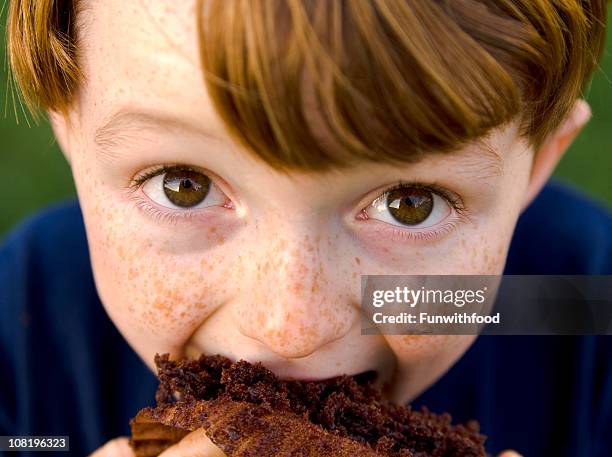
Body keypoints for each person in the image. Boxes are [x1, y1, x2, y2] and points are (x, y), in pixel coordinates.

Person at [1, 1, 611, 456]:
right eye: (183, 184)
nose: (290, 328)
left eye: (410, 204)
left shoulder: (582, 309)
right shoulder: (23, 327)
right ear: (69, 134)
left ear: (535, 167)